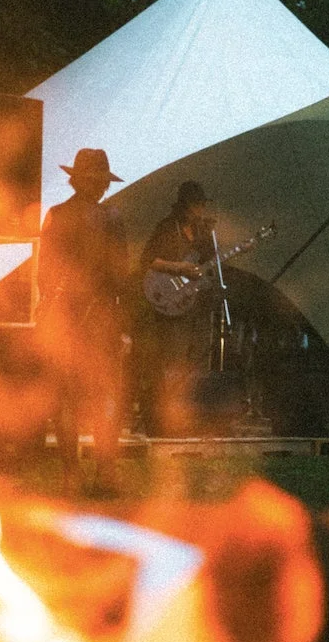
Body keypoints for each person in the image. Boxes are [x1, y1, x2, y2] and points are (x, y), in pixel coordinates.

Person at [35, 148, 129, 496]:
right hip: (95, 321)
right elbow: (121, 276)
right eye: (102, 181)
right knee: (102, 397)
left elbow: (44, 272)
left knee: (71, 400)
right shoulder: (111, 217)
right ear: (94, 182)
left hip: (72, 320)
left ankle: (74, 475)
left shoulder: (58, 215)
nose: (104, 187)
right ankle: (102, 474)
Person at [134, 181, 216, 435]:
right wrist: (178, 268)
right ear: (184, 206)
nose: (200, 210)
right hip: (169, 304)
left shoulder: (204, 234)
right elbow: (148, 261)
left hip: (194, 304)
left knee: (195, 360)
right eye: (196, 205)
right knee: (171, 361)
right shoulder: (168, 227)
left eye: (202, 205)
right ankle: (164, 419)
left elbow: (208, 267)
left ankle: (189, 417)